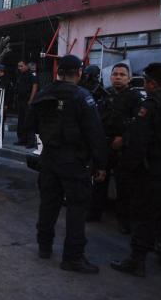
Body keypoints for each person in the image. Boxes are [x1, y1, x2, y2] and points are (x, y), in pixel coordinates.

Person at [111, 63, 161, 277]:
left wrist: (128, 168)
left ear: (152, 83)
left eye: (146, 81)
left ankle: (137, 261)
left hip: (156, 170)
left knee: (145, 216)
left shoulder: (151, 105)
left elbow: (138, 143)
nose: (145, 85)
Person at [29, 54, 106, 274]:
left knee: (48, 204)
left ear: (58, 72)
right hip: (74, 162)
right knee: (76, 209)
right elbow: (95, 133)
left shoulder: (44, 93)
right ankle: (72, 257)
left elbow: (31, 124)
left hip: (49, 159)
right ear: (79, 73)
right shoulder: (83, 97)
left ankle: (44, 246)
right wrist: (101, 164)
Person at [87, 63, 143, 234]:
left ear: (129, 78)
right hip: (104, 145)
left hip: (122, 148)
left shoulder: (134, 97)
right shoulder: (105, 94)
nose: (118, 77)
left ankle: (124, 221)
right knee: (99, 181)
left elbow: (139, 123)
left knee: (124, 186)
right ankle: (95, 213)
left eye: (122, 74)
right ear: (110, 77)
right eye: (115, 74)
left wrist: (123, 138)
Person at [15, 60, 38, 148]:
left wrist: (31, 99)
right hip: (21, 100)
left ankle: (30, 142)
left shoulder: (31, 74)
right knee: (21, 121)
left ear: (26, 66)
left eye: (21, 66)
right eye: (18, 66)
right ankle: (22, 140)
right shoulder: (20, 75)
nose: (19, 68)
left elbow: (35, 86)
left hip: (28, 101)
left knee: (29, 121)